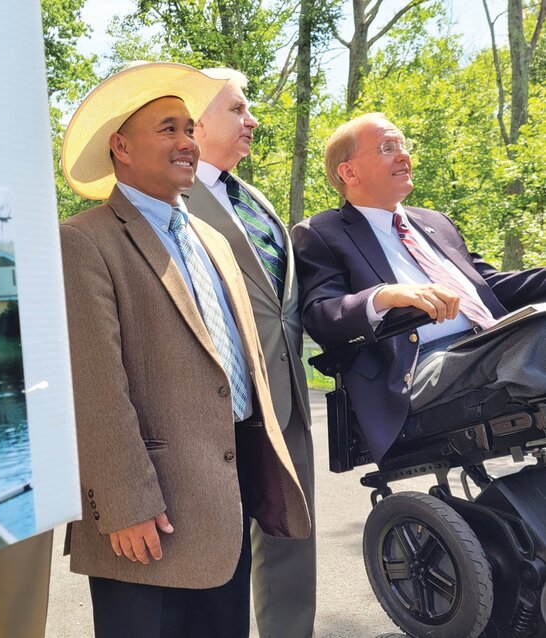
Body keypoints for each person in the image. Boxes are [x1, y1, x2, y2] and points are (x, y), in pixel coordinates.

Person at [60, 61, 310, 638]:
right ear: (120, 146)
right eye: (168, 129)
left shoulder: (215, 240)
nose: (187, 142)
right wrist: (124, 503)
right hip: (146, 517)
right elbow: (93, 385)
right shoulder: (84, 241)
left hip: (227, 500)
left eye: (190, 129)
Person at [291, 113, 546, 463]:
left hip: (489, 341)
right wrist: (386, 296)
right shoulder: (321, 231)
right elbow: (320, 313)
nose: (403, 155)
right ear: (349, 173)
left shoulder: (434, 221)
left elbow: (488, 287)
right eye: (386, 147)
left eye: (402, 145)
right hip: (421, 367)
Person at [182, 66, 316, 638]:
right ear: (196, 120)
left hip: (287, 398)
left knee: (293, 542)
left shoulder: (254, 197)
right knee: (223, 556)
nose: (252, 120)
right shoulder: (171, 199)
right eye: (237, 109)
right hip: (221, 409)